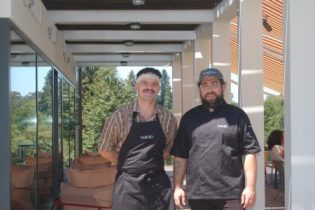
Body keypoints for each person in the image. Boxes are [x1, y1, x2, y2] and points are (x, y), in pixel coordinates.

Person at [171, 68, 261, 210]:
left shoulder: (237, 116)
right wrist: (177, 187)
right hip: (198, 194)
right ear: (200, 89)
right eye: (204, 85)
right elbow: (180, 157)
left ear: (223, 87)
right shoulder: (189, 118)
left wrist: (250, 187)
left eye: (214, 84)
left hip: (231, 194)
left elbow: (250, 153)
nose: (209, 89)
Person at [98, 67, 177, 210]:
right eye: (144, 83)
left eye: (154, 84)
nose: (149, 87)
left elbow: (169, 148)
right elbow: (104, 148)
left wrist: (149, 165)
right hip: (128, 187)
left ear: (159, 88)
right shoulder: (120, 116)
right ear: (137, 87)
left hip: (159, 185)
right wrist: (125, 163)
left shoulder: (167, 118)